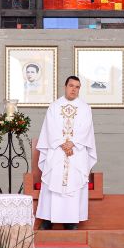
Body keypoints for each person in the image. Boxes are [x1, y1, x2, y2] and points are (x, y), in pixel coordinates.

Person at [36, 76, 97, 230]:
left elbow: (86, 129)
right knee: (53, 181)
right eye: (71, 86)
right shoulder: (54, 106)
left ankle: (71, 220)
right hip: (57, 150)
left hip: (77, 151)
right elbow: (51, 127)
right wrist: (63, 143)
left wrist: (72, 143)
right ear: (65, 87)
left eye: (77, 87)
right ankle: (48, 219)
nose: (74, 89)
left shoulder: (85, 108)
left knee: (74, 183)